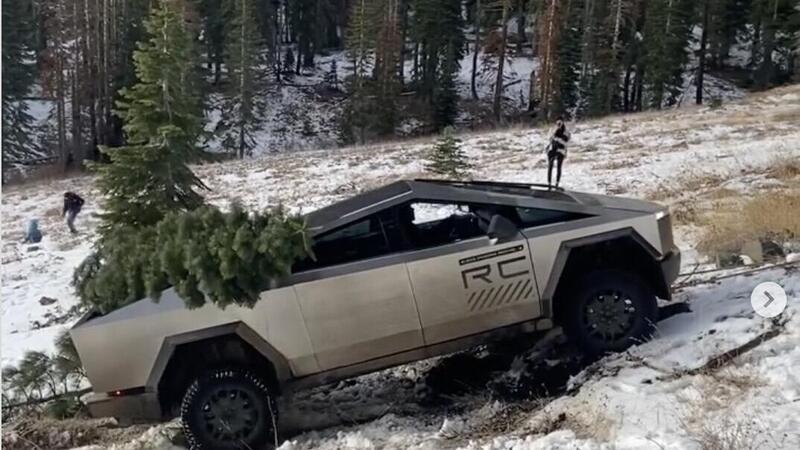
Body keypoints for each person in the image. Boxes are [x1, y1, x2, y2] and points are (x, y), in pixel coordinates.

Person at [546, 117, 571, 189]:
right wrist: (555, 133)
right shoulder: (552, 129)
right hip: (552, 149)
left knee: (559, 166)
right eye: (557, 123)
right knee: (550, 165)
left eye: (560, 122)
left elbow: (566, 142)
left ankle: (557, 183)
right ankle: (549, 183)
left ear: (563, 122)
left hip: (561, 150)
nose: (559, 124)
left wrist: (559, 140)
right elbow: (549, 139)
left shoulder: (566, 132)